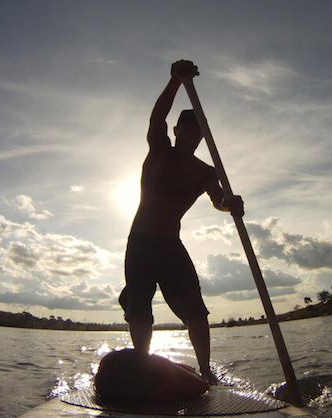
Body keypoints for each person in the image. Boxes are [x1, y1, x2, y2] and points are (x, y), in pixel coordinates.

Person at [119, 60, 244, 384]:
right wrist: (175, 80)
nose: (189, 135)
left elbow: (218, 201)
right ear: (176, 131)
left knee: (196, 312)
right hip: (142, 242)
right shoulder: (160, 149)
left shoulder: (206, 172)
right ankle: (143, 367)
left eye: (195, 131)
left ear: (202, 136)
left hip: (171, 247)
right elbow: (157, 116)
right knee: (139, 310)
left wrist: (230, 204)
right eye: (184, 129)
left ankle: (206, 372)